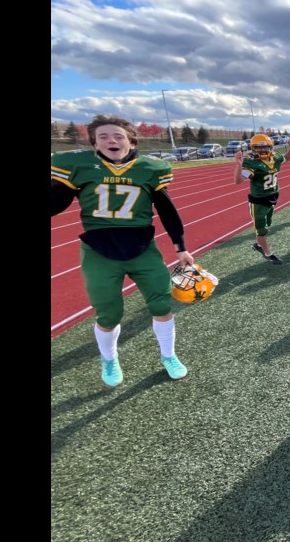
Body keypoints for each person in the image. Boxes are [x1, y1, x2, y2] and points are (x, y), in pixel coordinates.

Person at [50, 115, 194, 387]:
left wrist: (180, 247)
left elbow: (166, 210)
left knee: (161, 304)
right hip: (99, 250)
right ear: (94, 142)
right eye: (103, 136)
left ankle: (169, 356)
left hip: (142, 247)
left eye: (117, 136)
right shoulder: (81, 167)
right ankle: (109, 358)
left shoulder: (149, 168)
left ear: (130, 140)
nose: (111, 141)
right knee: (108, 313)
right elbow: (56, 201)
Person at [235, 133, 290, 264]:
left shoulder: (275, 157)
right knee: (261, 230)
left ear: (270, 147)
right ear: (253, 148)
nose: (262, 150)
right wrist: (239, 165)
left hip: (272, 196)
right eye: (258, 147)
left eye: (265, 147)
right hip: (259, 200)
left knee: (266, 226)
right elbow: (238, 180)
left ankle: (258, 245)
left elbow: (287, 158)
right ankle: (268, 253)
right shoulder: (252, 163)